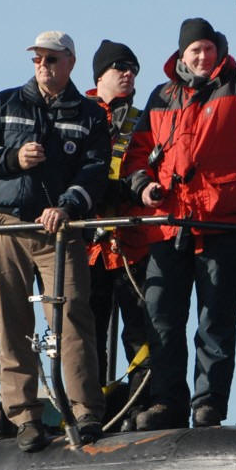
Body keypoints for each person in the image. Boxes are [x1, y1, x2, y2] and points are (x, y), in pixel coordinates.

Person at [124, 0, 236, 430]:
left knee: (215, 325)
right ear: (181, 55)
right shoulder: (159, 98)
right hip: (167, 227)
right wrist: (144, 186)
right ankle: (168, 404)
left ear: (218, 51)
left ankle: (208, 405)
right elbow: (137, 152)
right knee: (164, 325)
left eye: (209, 48)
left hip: (220, 225)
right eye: (194, 50)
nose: (202, 55)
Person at [0, 31, 110, 452]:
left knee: (72, 319)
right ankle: (25, 417)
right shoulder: (4, 104)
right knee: (11, 323)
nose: (43, 65)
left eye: (52, 59)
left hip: (59, 231)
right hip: (1, 225)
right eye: (38, 59)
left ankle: (85, 412)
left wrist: (67, 207)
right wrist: (10, 160)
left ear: (70, 63)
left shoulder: (90, 115)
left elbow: (95, 171)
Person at [85, 40, 152, 386]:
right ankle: (90, 403)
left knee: (140, 328)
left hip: (132, 242)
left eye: (133, 69)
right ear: (100, 76)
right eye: (120, 68)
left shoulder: (145, 122)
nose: (128, 74)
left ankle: (142, 400)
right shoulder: (78, 117)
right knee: (87, 331)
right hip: (88, 246)